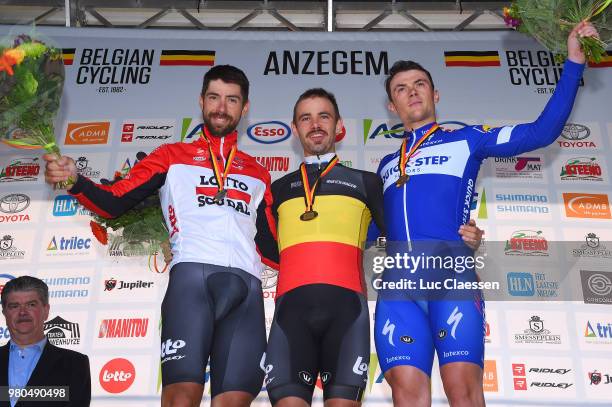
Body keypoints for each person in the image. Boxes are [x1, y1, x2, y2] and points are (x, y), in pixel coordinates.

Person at [374, 21, 599, 407]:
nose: (412, 93)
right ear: (392, 106)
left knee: (464, 393)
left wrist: (574, 61)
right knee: (407, 397)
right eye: (401, 89)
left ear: (435, 93)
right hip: (398, 292)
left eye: (419, 85)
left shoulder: (467, 139)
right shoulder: (383, 165)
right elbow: (373, 231)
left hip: (453, 283)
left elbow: (540, 133)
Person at [43, 65, 279, 407]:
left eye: (231, 100)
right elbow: (114, 202)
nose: (221, 107)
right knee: (181, 398)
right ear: (201, 101)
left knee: (236, 401)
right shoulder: (171, 157)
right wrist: (76, 181)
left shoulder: (258, 173)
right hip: (192, 281)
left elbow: (271, 246)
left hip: (246, 286)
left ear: (245, 108)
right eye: (214, 97)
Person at [263, 88, 483, 407]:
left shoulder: (367, 182)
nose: (315, 124)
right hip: (290, 315)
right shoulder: (277, 189)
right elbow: (263, 247)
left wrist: (463, 237)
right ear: (294, 129)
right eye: (305, 118)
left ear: (339, 125)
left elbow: (408, 228)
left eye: (324, 116)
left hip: (347, 313)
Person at [0, 276, 91, 407]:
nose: (22, 312)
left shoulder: (74, 364)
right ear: (4, 313)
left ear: (46, 310)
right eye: (14, 306)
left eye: (31, 305)